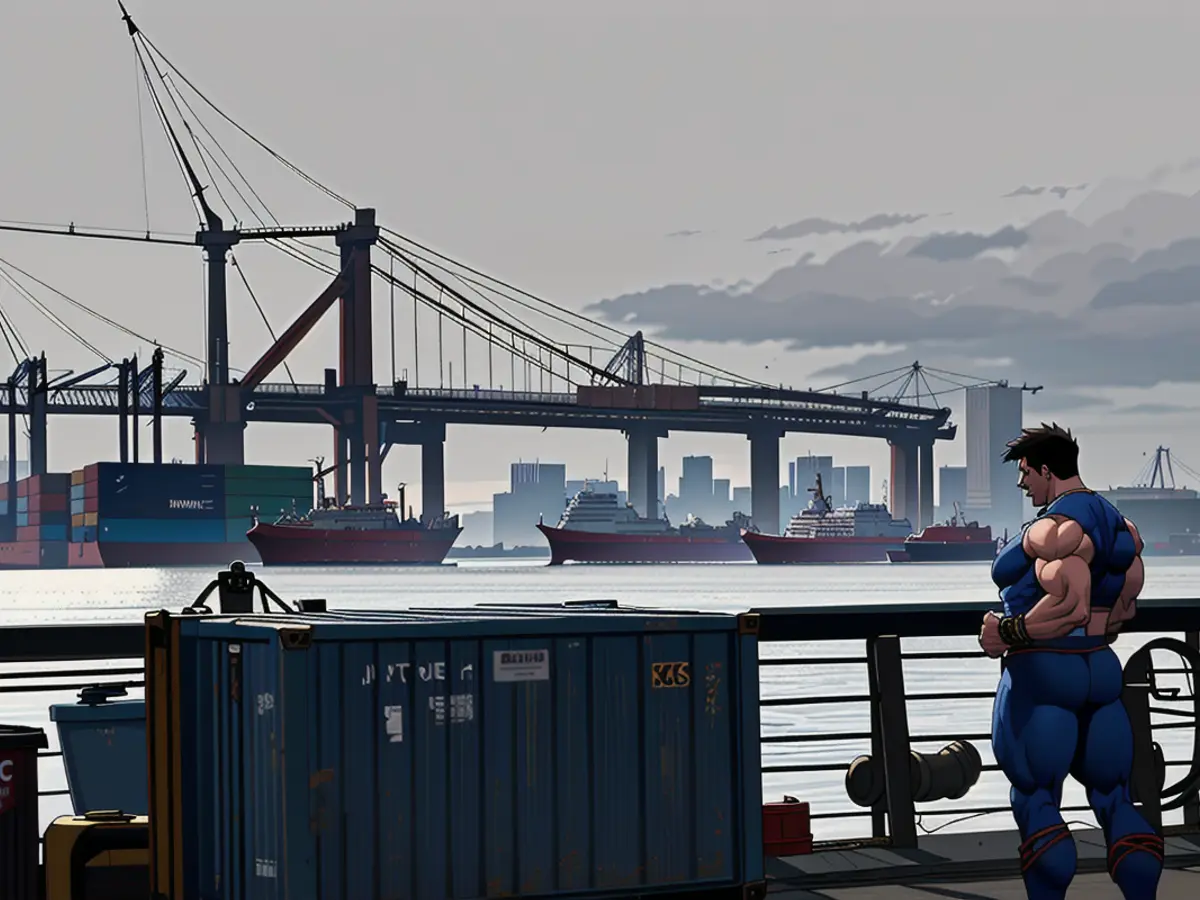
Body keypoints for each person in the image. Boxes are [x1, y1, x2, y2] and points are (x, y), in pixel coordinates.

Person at [979, 423, 1163, 900]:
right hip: (1099, 670)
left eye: (1025, 474)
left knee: (1037, 800)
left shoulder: (1054, 526)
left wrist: (1009, 631)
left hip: (1043, 674)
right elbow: (1122, 608)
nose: (1022, 485)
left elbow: (1069, 596)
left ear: (1046, 470)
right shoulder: (1122, 529)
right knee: (1116, 802)